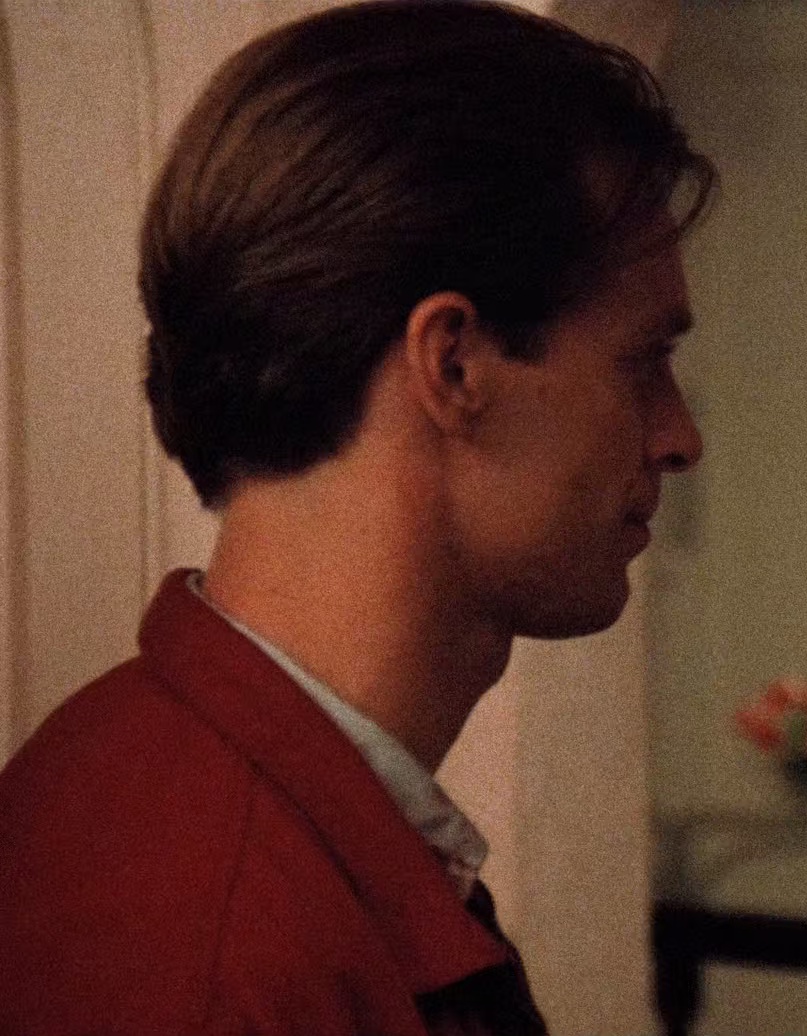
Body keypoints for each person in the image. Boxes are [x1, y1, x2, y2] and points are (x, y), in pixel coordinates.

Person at [0, 3, 709, 1033]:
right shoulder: (205, 951)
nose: (680, 437)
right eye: (643, 362)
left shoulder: (194, 803)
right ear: (452, 365)